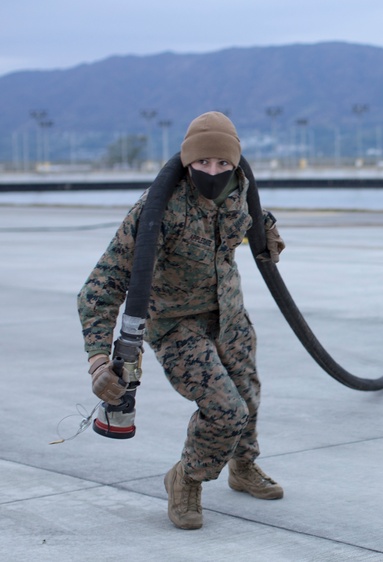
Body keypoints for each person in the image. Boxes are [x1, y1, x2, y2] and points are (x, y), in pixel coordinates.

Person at [78, 111, 286, 530]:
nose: (212, 172)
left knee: (248, 394)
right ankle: (186, 478)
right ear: (188, 162)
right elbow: (100, 287)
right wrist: (99, 359)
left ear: (235, 164)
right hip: (175, 324)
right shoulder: (159, 208)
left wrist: (268, 232)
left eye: (222, 164)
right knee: (225, 409)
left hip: (229, 313)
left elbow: (248, 219)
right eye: (202, 164)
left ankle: (243, 467)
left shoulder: (239, 189)